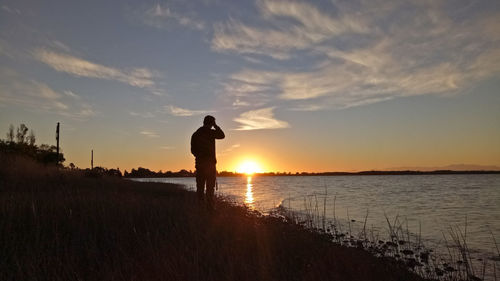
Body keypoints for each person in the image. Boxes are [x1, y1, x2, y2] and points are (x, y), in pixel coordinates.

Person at [191, 115, 225, 208]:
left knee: (200, 188)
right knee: (210, 189)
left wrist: (199, 156)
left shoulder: (195, 134)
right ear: (211, 123)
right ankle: (210, 209)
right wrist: (216, 126)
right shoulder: (210, 132)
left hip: (199, 165)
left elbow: (192, 150)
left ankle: (200, 208)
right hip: (209, 165)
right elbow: (222, 135)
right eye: (213, 123)